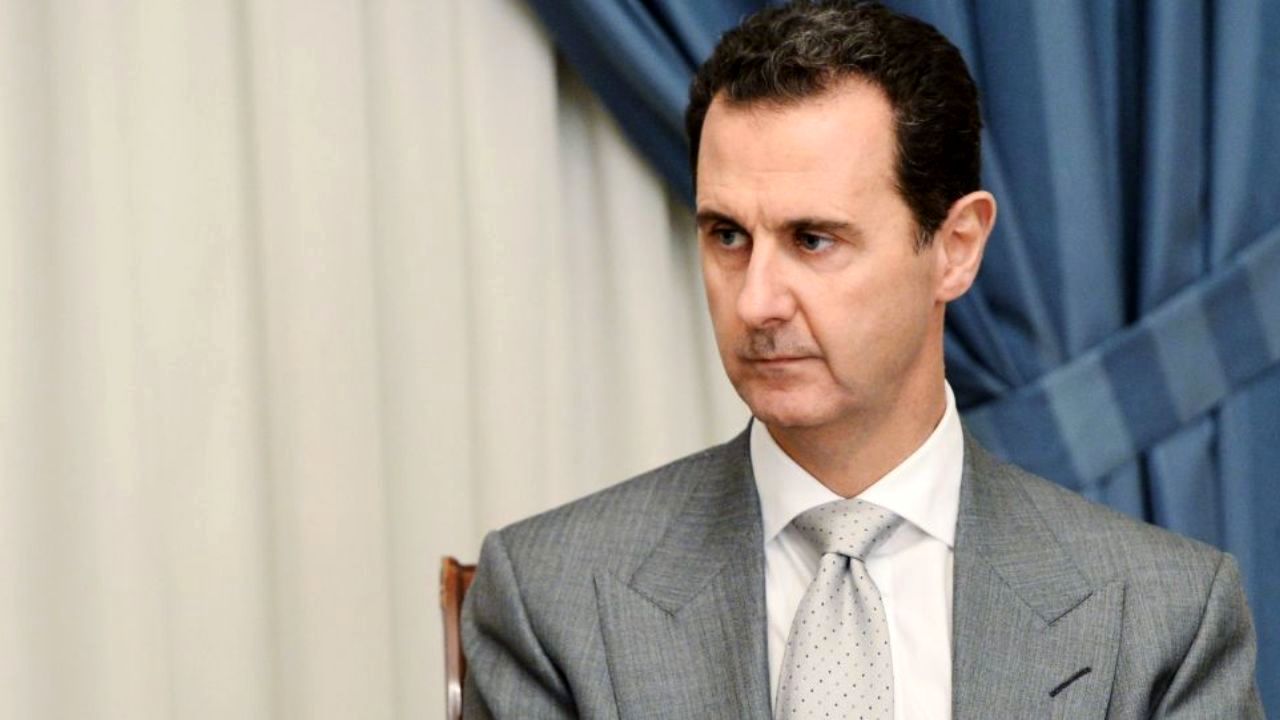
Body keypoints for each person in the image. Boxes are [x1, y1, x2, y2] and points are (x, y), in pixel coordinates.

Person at [460, 2, 1264, 718]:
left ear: (955, 248)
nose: (757, 303)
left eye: (813, 240)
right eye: (727, 236)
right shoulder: (552, 600)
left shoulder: (1162, 617)